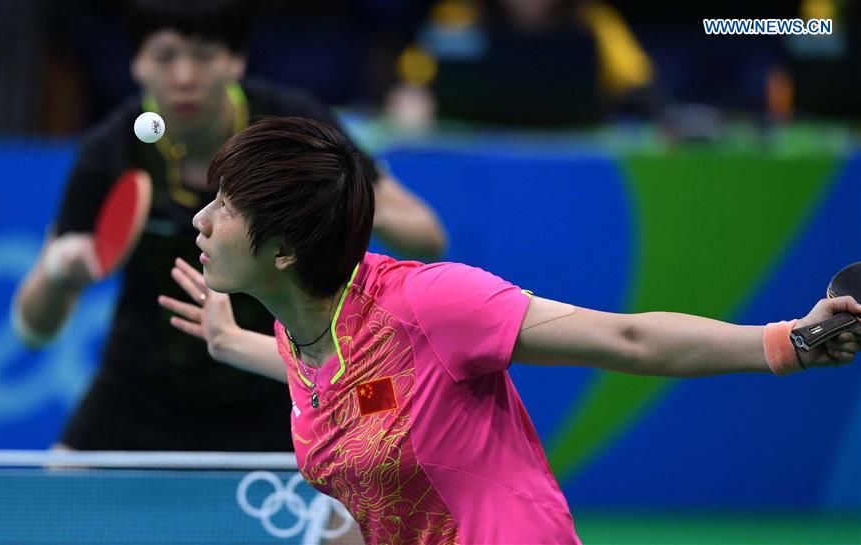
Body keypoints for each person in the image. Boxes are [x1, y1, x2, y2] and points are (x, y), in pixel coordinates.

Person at [159, 116, 860, 544]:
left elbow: (626, 339)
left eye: (225, 206)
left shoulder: (430, 304)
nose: (202, 219)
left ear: (284, 250)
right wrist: (228, 345)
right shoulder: (305, 326)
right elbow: (349, 387)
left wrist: (788, 342)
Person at [12, 0, 446, 452]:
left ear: (236, 60)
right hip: (137, 399)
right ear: (137, 65)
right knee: (53, 506)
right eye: (164, 56)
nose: (184, 76)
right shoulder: (111, 151)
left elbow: (428, 236)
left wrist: (324, 202)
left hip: (287, 393)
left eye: (203, 55)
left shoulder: (291, 126)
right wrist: (61, 270)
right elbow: (33, 330)